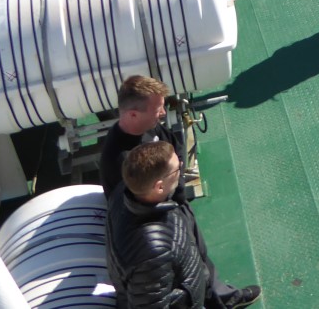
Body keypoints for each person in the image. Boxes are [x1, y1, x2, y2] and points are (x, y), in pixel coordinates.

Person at [100, 77, 260, 309]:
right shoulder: (120, 162)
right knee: (187, 269)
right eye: (157, 109)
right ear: (133, 114)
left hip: (173, 208)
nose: (163, 113)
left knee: (199, 260)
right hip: (164, 225)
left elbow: (172, 143)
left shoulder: (148, 126)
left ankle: (222, 297)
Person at [106, 141, 261, 309]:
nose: (181, 166)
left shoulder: (124, 193)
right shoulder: (153, 252)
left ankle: (223, 300)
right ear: (159, 187)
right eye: (176, 169)